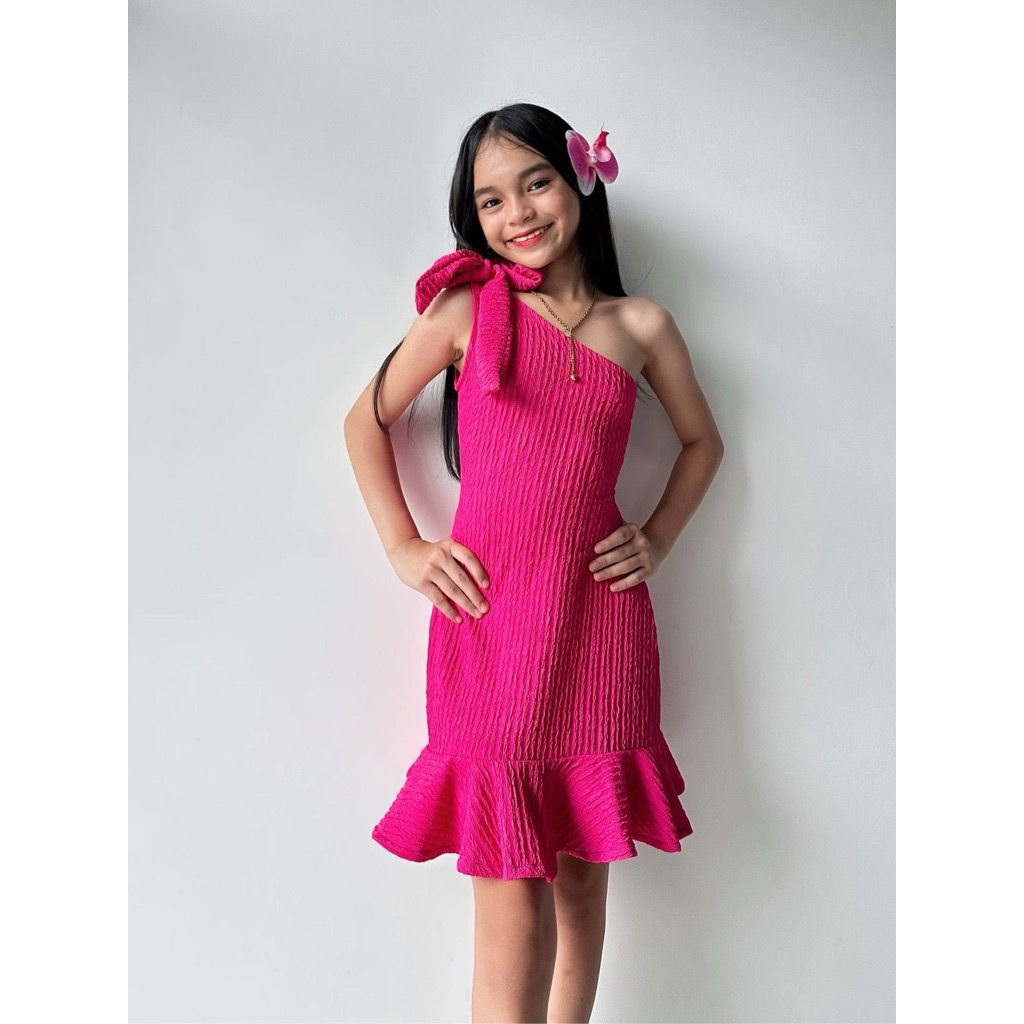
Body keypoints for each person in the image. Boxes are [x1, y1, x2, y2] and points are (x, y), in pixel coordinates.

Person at [344, 102, 724, 1024]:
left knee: (583, 883)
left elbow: (702, 442)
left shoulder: (642, 325)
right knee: (512, 904)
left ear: (580, 181)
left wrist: (659, 536)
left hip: (599, 629)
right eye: (490, 200)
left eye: (536, 182)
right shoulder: (466, 311)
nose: (517, 212)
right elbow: (364, 421)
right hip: (490, 628)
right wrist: (404, 546)